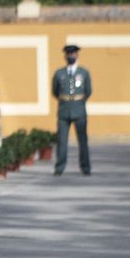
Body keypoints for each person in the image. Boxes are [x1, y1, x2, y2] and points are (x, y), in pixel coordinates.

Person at [52, 43, 92, 175]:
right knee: (62, 141)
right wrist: (65, 100)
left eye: (73, 54)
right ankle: (59, 167)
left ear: (77, 55)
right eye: (68, 54)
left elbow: (88, 91)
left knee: (82, 141)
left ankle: (85, 167)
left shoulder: (83, 73)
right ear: (65, 56)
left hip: (79, 109)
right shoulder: (59, 73)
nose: (71, 56)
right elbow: (55, 91)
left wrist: (78, 101)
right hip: (64, 110)